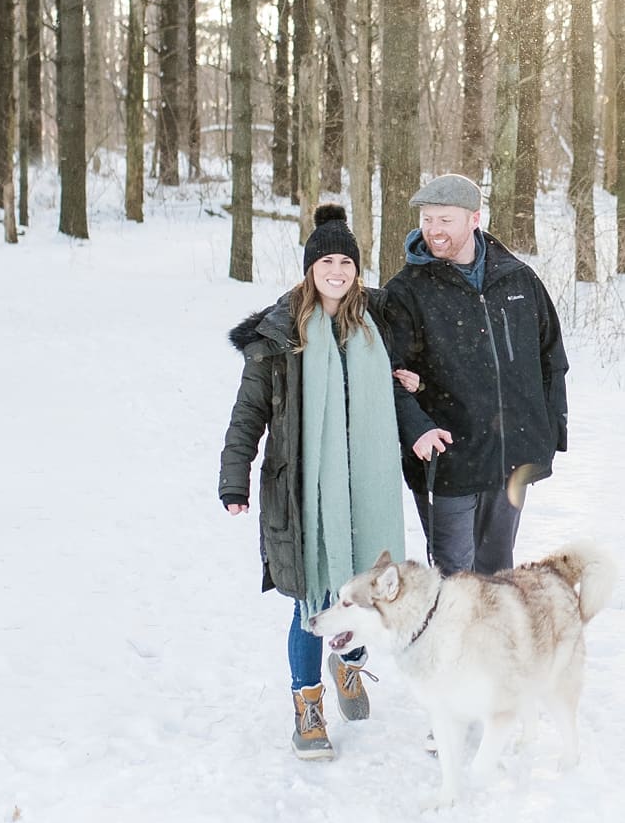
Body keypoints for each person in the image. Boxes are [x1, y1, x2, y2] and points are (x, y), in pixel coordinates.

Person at [219, 204, 409, 761]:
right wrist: (235, 480)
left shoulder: (377, 325)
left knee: (370, 595)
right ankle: (307, 707)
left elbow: (402, 385)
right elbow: (249, 410)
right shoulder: (281, 334)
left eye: (345, 260)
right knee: (312, 603)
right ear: (309, 268)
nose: (337, 270)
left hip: (365, 489)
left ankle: (349, 667)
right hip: (304, 491)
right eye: (326, 259)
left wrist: (412, 377)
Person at [380, 174, 569, 576]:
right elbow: (389, 376)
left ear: (474, 219)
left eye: (445, 220)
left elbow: (551, 358)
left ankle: (494, 642)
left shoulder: (518, 280)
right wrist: (417, 430)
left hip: (511, 456)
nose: (434, 230)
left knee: (498, 573)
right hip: (449, 459)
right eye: (427, 219)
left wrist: (550, 431)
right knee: (455, 580)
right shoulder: (407, 291)